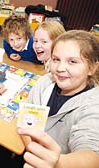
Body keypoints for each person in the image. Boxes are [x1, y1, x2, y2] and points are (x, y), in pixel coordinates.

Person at [18, 30, 99, 168]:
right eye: (56, 59)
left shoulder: (93, 105)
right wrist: (33, 150)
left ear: (92, 67)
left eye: (72, 61)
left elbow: (91, 153)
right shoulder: (45, 82)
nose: (60, 68)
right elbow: (25, 120)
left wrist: (59, 162)